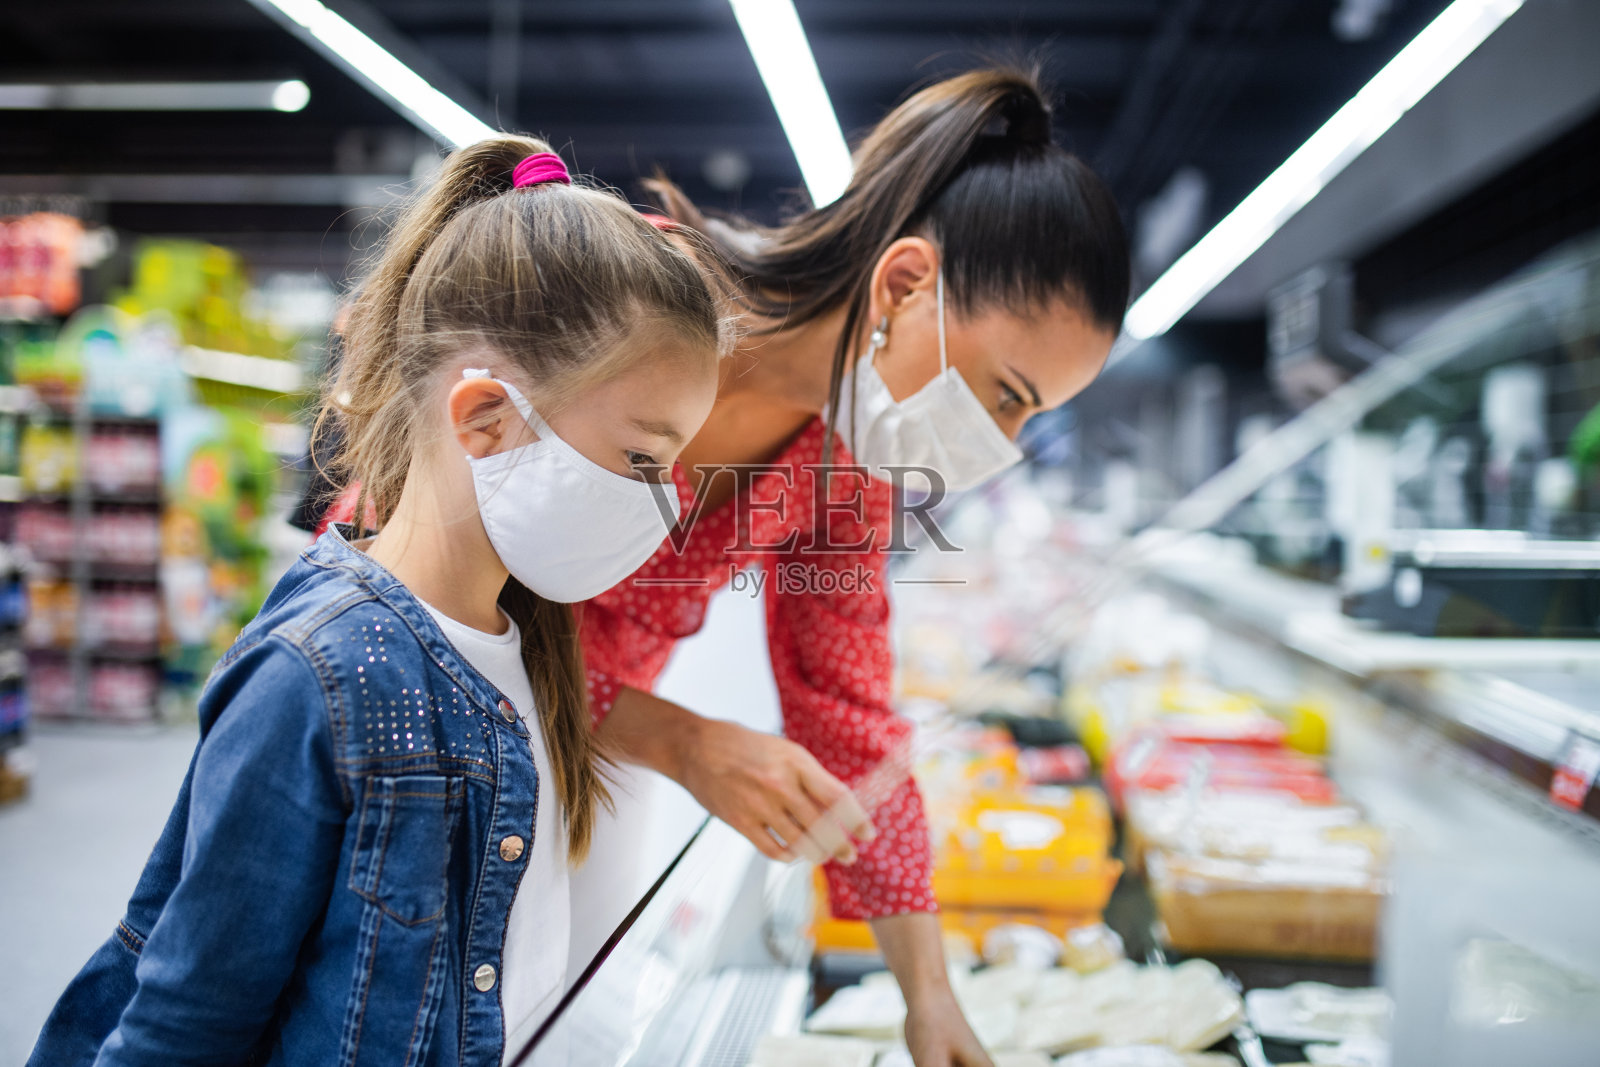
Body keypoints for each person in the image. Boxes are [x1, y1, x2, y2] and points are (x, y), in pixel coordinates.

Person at [28, 136, 728, 1066]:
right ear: (484, 417)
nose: (668, 500)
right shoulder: (321, 675)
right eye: (645, 458)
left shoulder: (532, 645)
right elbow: (183, 1024)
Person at [580, 66, 1129, 1067]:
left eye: (1030, 418)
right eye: (1006, 394)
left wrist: (928, 996)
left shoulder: (841, 464)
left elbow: (846, 712)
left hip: (574, 768)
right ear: (905, 283)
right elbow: (438, 607)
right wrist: (686, 742)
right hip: (386, 722)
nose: (1001, 442)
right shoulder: (633, 306)